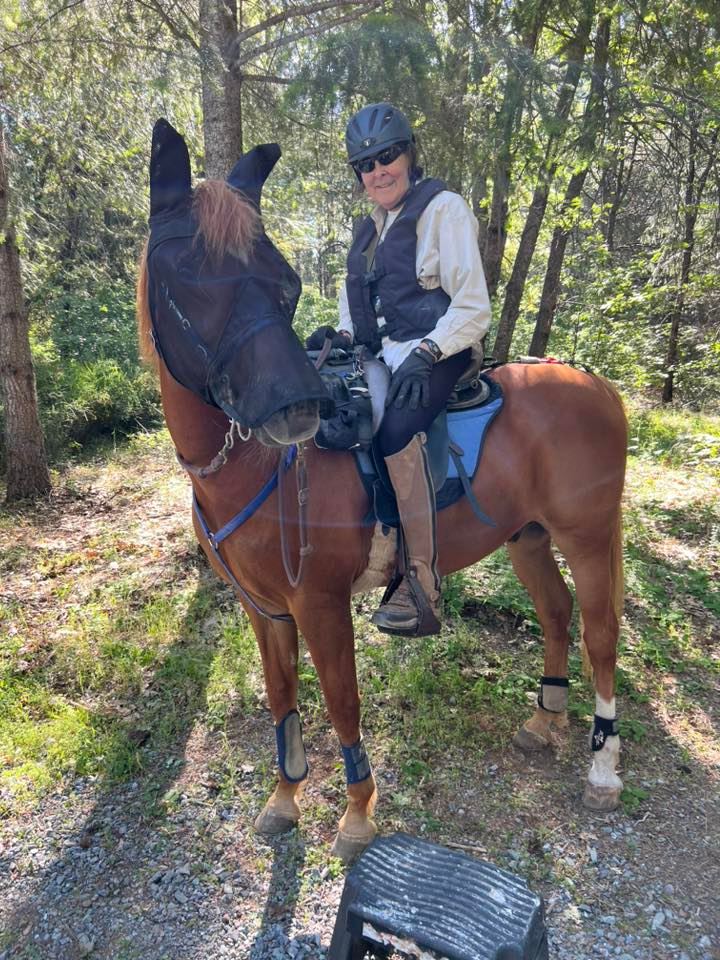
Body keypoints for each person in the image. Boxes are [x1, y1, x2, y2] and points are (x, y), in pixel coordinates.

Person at [330, 102, 492, 636]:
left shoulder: (443, 209)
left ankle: (420, 581)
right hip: (382, 354)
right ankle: (370, 536)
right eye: (366, 164)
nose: (378, 171)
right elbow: (356, 308)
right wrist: (342, 337)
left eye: (387, 157)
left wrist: (428, 352)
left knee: (397, 426)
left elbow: (472, 306)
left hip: (439, 348)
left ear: (408, 155)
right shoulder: (368, 231)